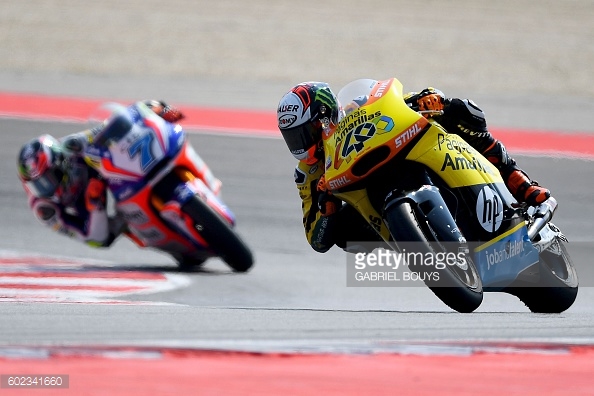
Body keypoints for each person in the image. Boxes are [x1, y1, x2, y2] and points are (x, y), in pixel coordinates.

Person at [276, 81, 551, 253]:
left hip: (397, 150)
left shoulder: (354, 108)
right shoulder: (308, 173)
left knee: (458, 112)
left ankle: (520, 183)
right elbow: (317, 239)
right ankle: (415, 237)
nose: (300, 144)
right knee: (344, 236)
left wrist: (424, 99)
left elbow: (391, 105)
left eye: (303, 133)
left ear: (324, 117)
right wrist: (327, 205)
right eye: (292, 137)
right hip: (368, 200)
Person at [16, 100, 190, 248]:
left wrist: (158, 110)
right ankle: (159, 236)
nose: (46, 189)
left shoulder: (70, 147)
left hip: (106, 172)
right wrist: (96, 205)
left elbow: (110, 126)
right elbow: (94, 240)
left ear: (62, 163)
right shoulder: (44, 208)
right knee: (107, 235)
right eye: (37, 184)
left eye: (49, 179)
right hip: (86, 204)